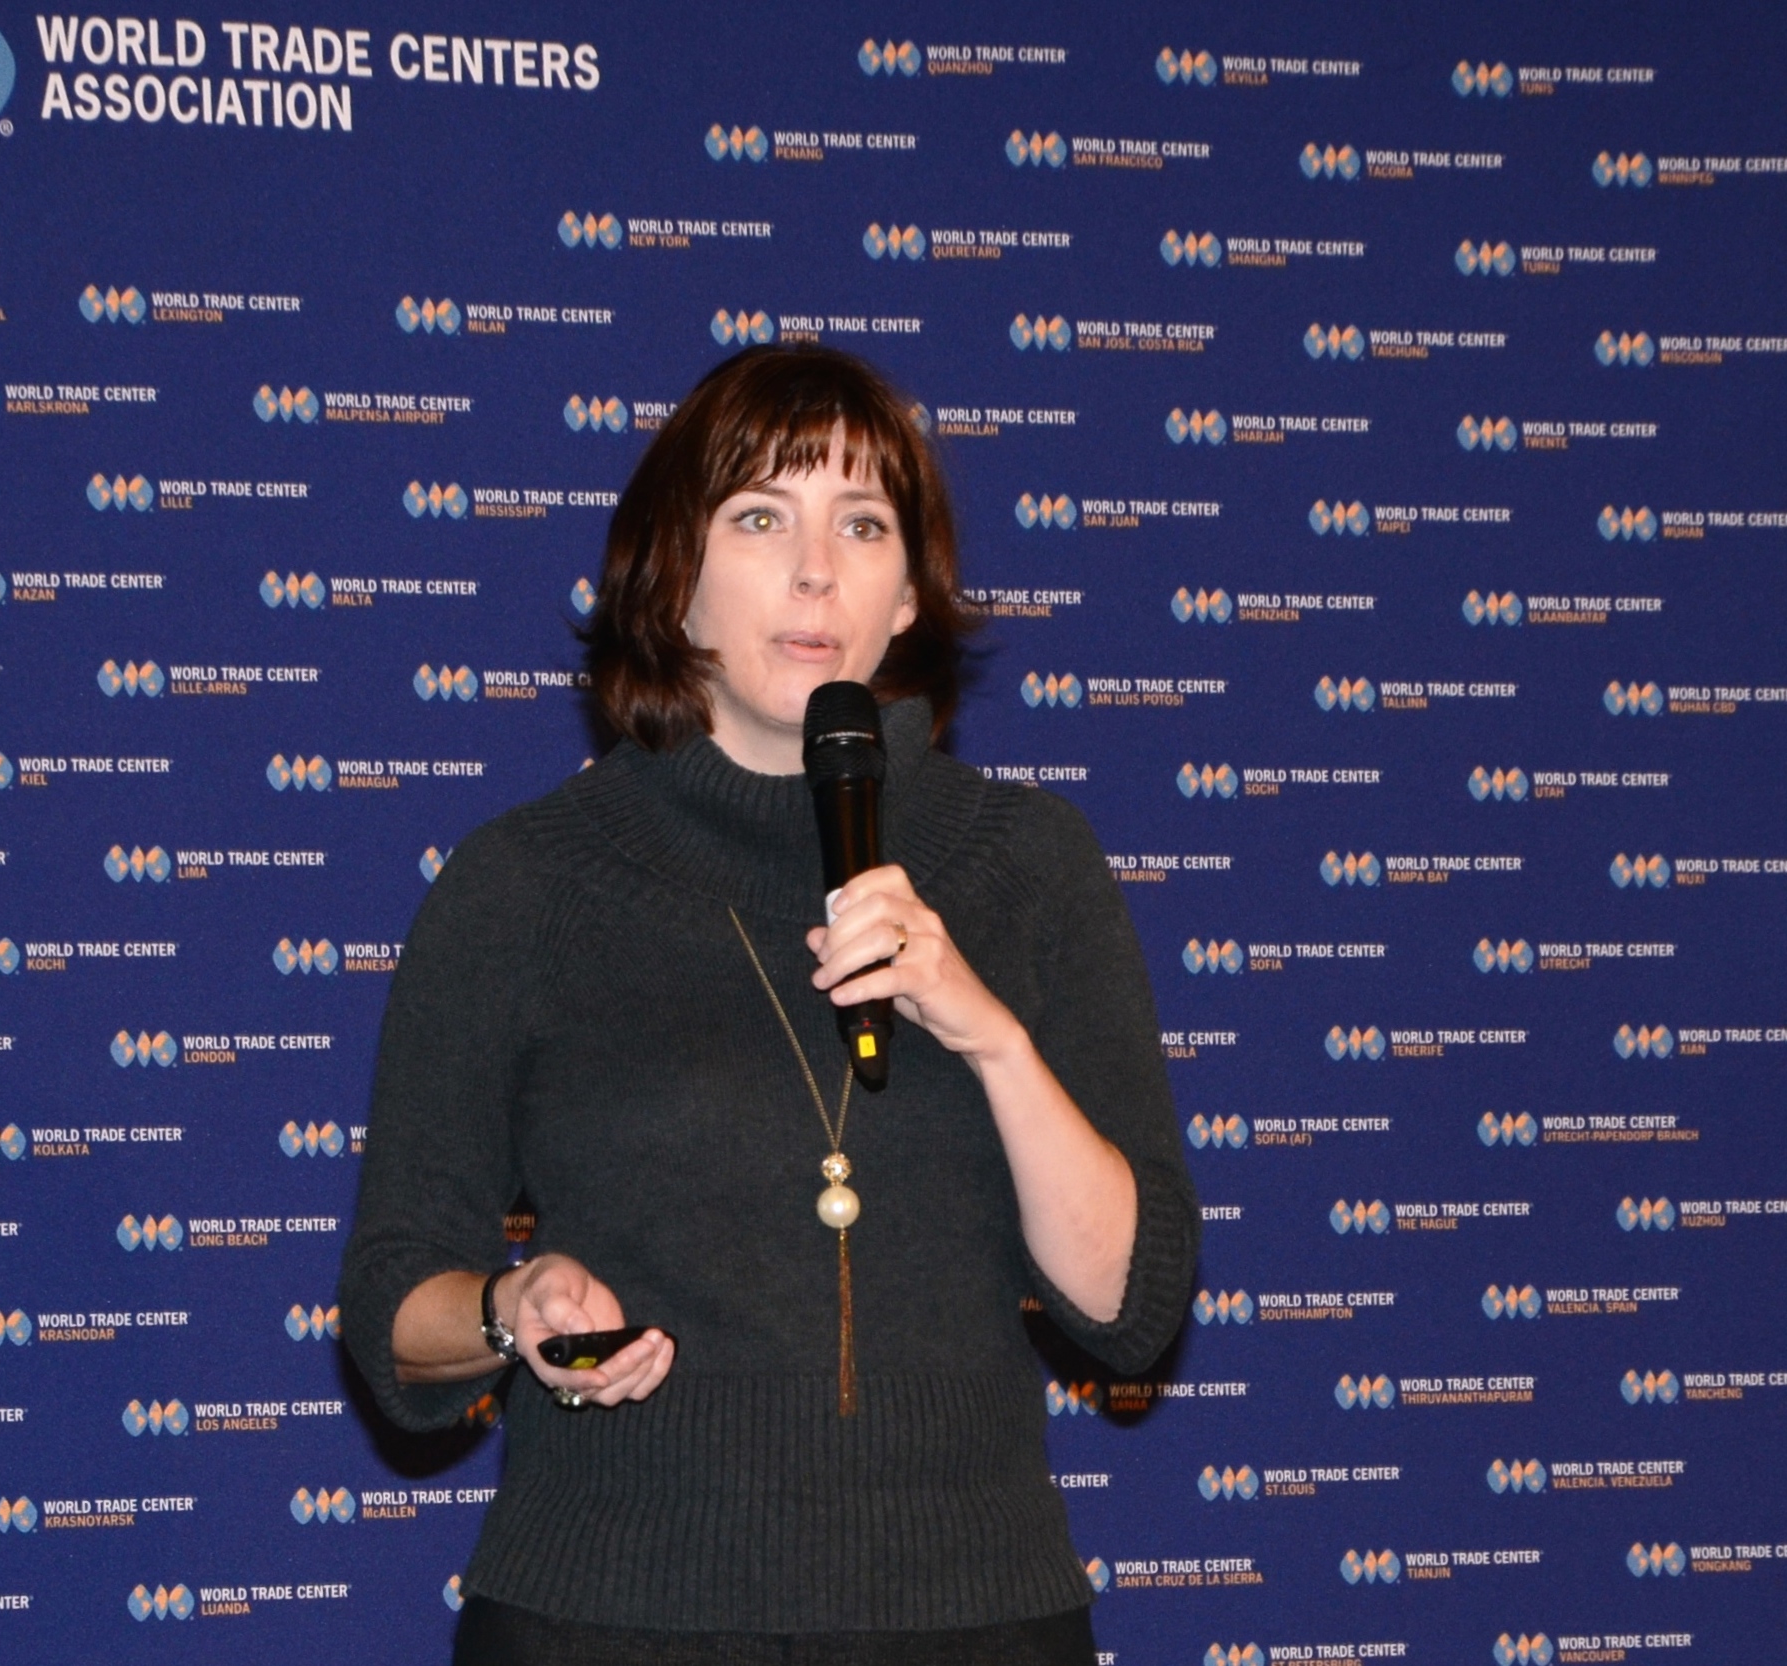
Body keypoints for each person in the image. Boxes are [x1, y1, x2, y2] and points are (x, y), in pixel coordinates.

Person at [339, 344, 1199, 1664]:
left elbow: (1131, 1309)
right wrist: (515, 1306)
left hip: (971, 1616)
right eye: (759, 518)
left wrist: (988, 1034)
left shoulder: (1027, 862)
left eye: (861, 525)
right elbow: (392, 1312)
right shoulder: (525, 881)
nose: (814, 572)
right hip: (610, 1616)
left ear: (907, 595)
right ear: (672, 578)